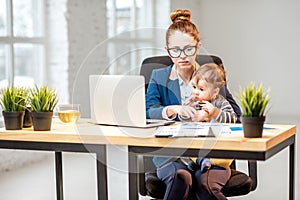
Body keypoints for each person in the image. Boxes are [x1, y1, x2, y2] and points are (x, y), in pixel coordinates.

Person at [145, 9, 251, 200]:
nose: (182, 56)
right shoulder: (159, 76)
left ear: (198, 47)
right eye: (175, 50)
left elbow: (236, 114)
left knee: (205, 183)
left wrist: (213, 113)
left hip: (208, 155)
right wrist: (171, 109)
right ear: (167, 50)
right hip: (172, 155)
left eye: (189, 48)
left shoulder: (209, 76)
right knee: (181, 177)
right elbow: (147, 111)